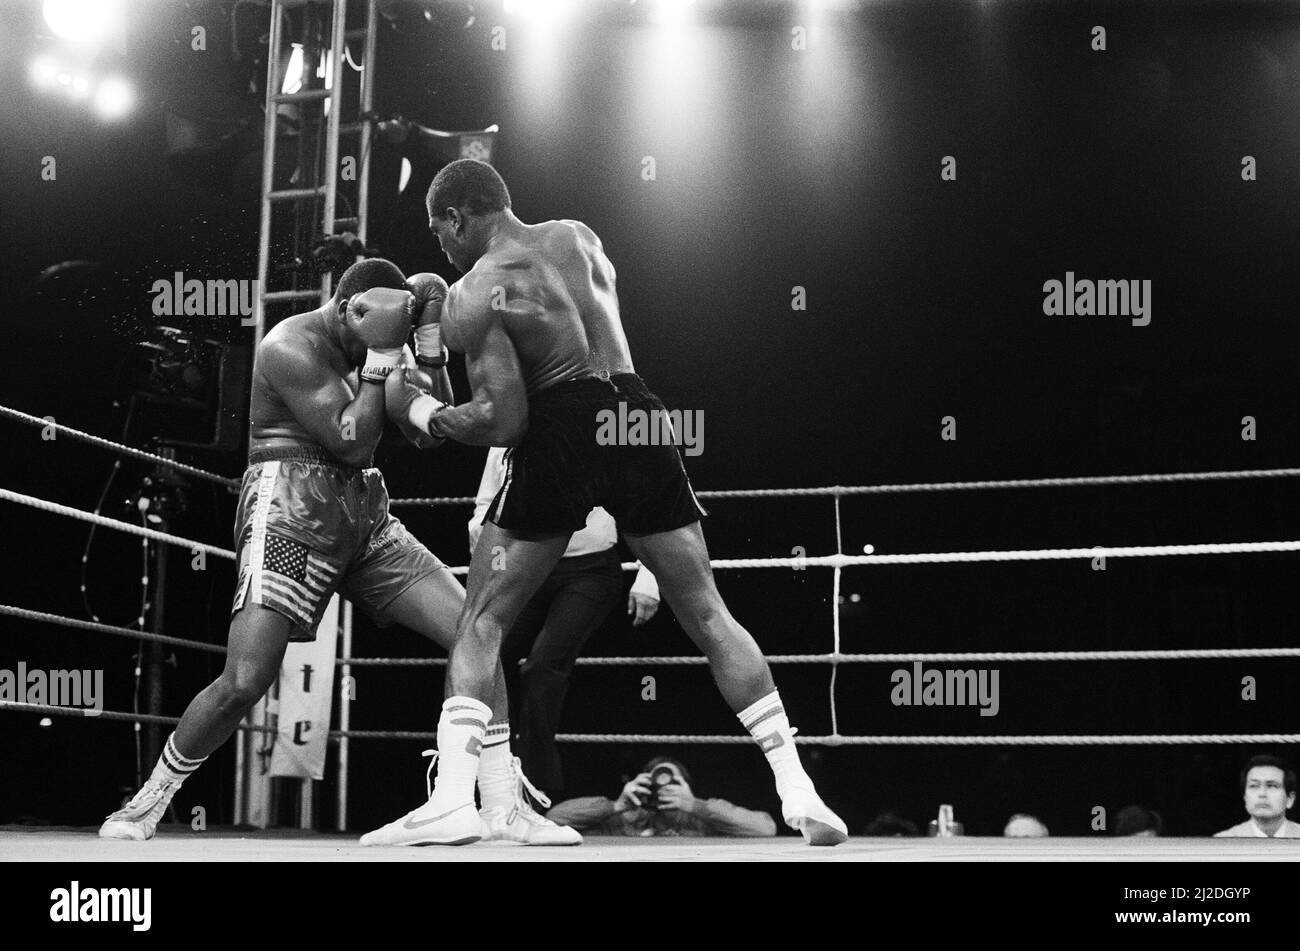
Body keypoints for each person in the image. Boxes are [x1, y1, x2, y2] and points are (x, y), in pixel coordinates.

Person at [364, 158, 847, 847]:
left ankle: (450, 801)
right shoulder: (580, 237)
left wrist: (425, 412)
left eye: (437, 231)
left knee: (481, 621)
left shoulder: (474, 292)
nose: (440, 246)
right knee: (709, 612)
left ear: (455, 217)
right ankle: (798, 788)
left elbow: (503, 420)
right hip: (640, 415)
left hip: (562, 427)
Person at [99, 258, 577, 846]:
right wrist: (382, 359)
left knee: (474, 629)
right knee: (246, 678)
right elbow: (350, 440)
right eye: (383, 333)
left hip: (364, 515)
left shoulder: (380, 342)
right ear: (351, 311)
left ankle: (502, 805)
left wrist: (428, 348)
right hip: (290, 511)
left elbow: (425, 430)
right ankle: (146, 803)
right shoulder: (288, 346)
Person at [469, 446, 660, 797]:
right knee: (488, 659)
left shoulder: (593, 432)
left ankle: (535, 790)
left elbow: (643, 503)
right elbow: (485, 506)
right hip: (525, 567)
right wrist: (494, 564)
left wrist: (650, 576)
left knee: (542, 668)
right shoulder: (506, 433)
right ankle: (489, 779)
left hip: (589, 571)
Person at [545, 756, 776, 837]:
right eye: (654, 782)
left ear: (686, 787)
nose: (663, 788)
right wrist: (617, 806)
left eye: (673, 783)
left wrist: (695, 805)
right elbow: (553, 818)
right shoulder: (623, 818)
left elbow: (766, 828)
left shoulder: (699, 820)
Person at [1213, 754, 1300, 838]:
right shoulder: (1224, 840)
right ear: (1245, 797)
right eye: (1254, 786)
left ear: (1290, 799)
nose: (1262, 794)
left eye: (1271, 786)